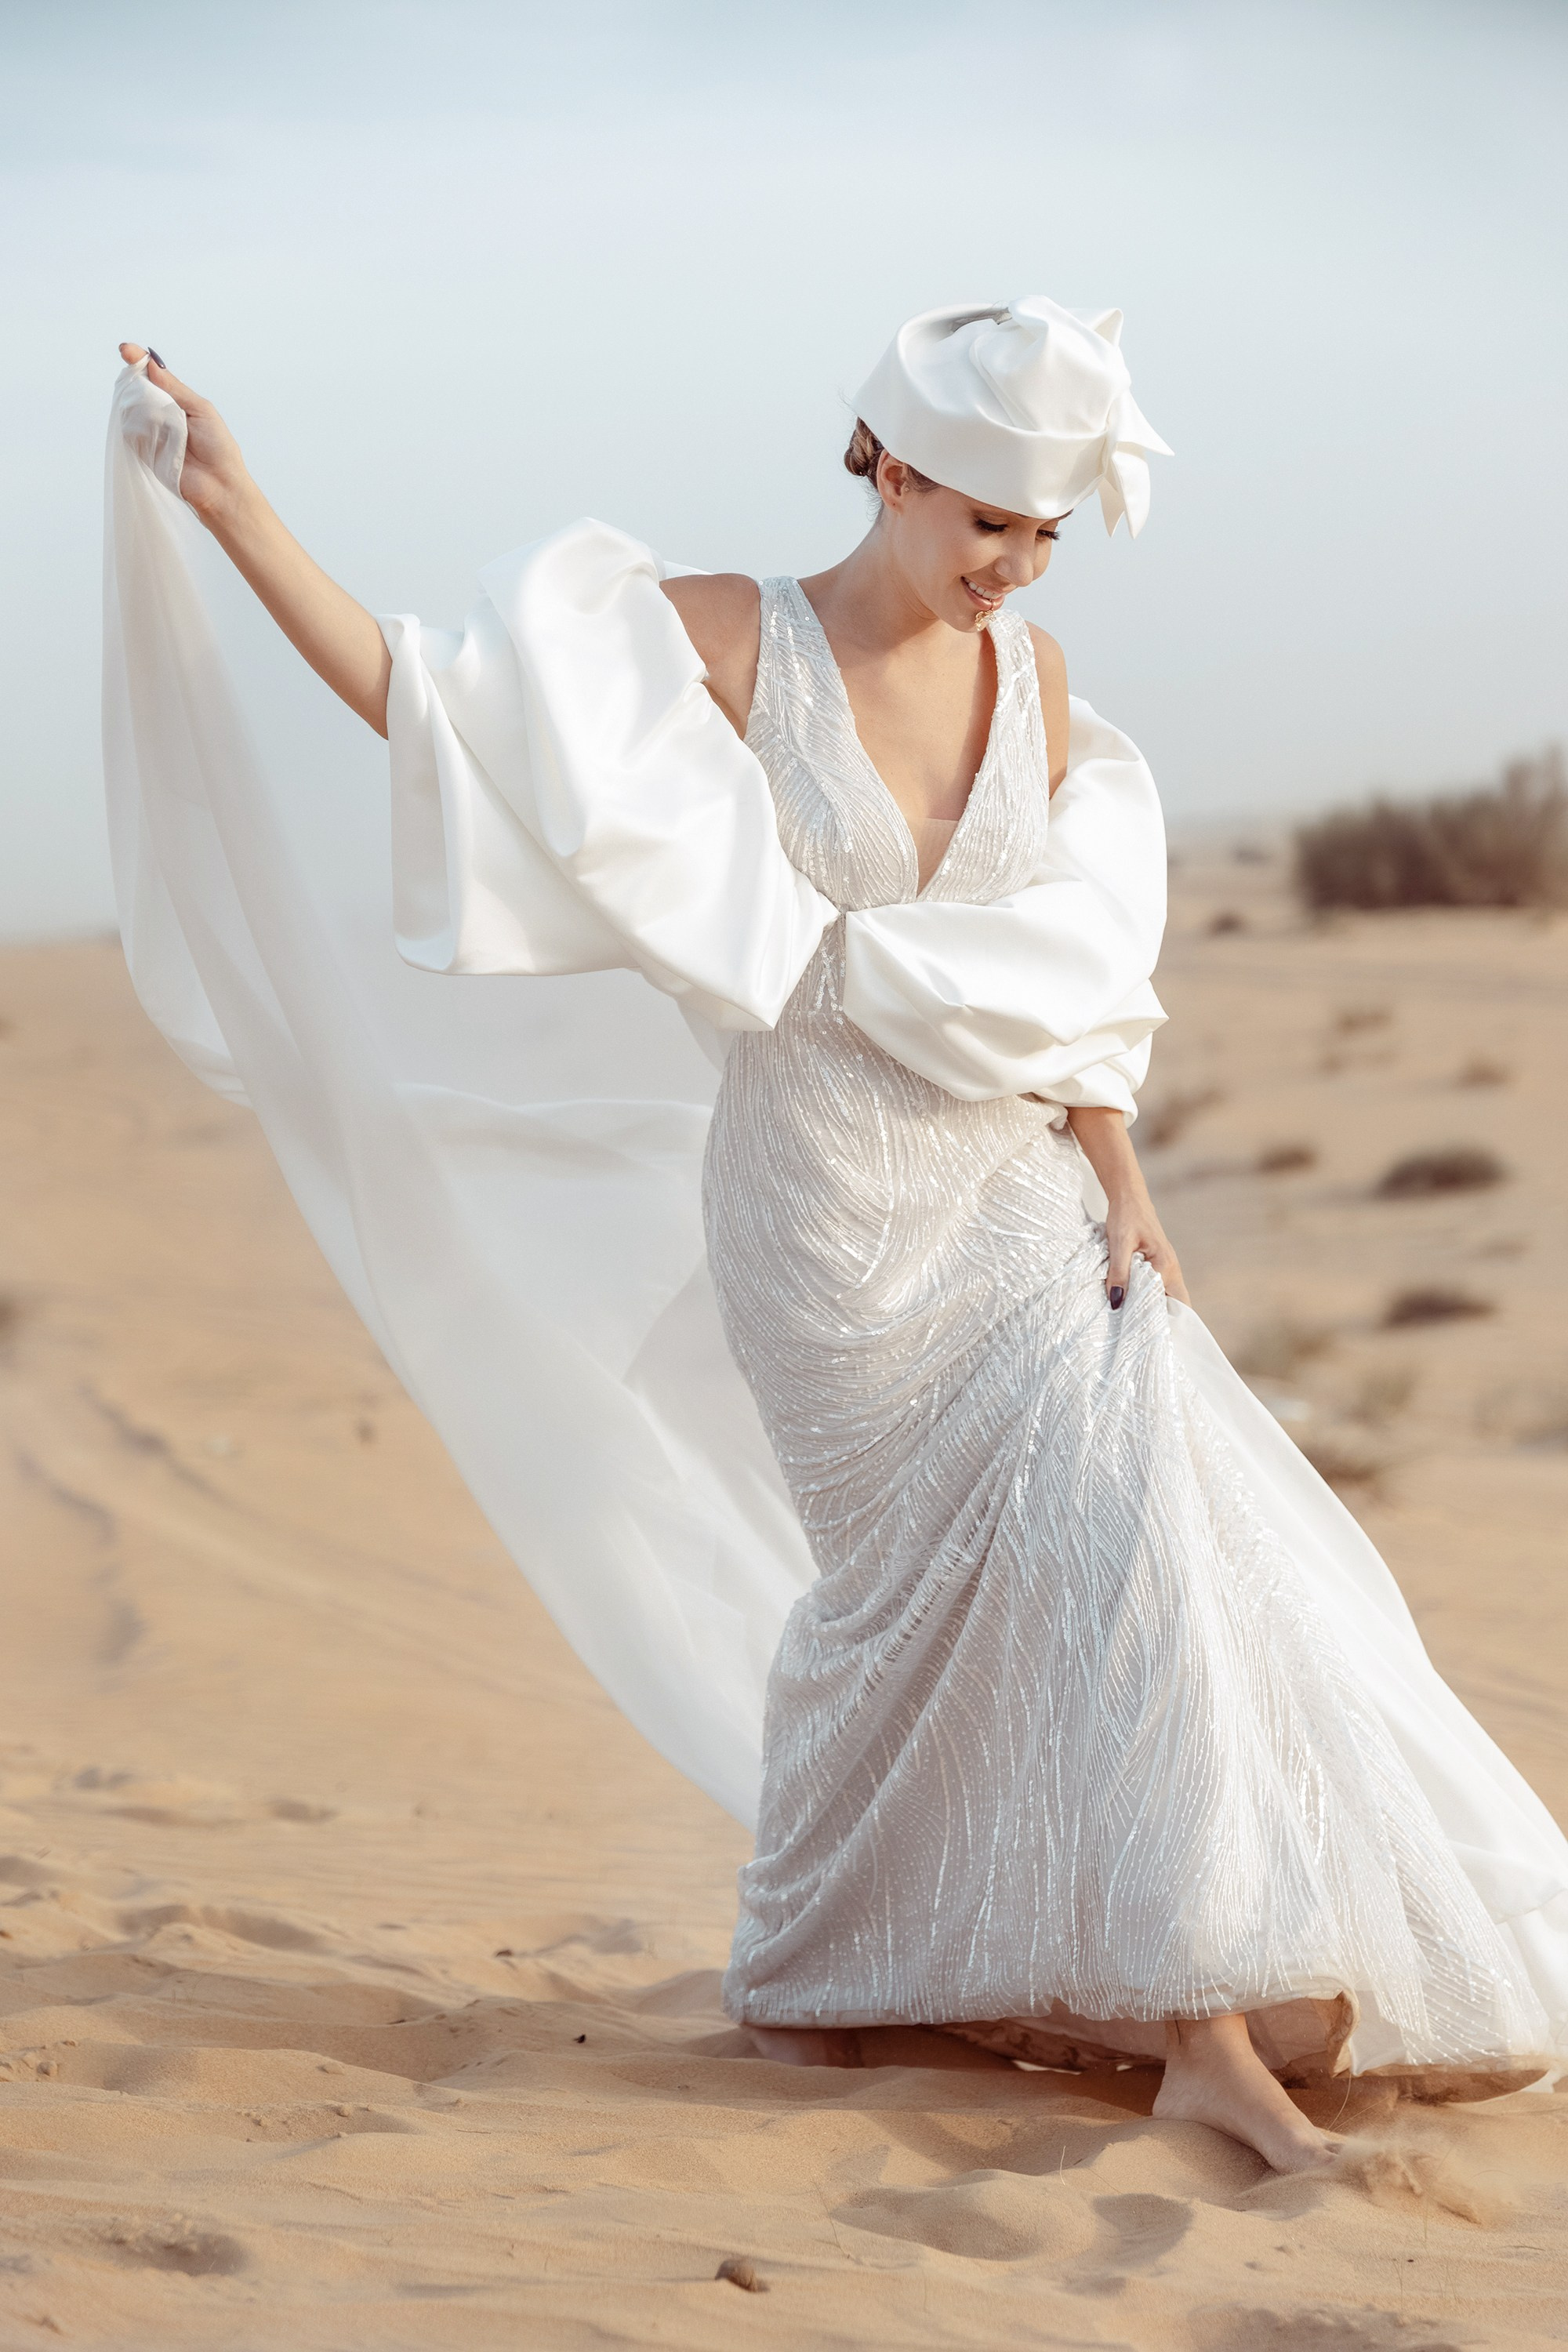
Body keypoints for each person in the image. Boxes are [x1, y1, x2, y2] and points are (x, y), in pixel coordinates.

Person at [107, 299, 1568, 2178]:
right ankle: (838, 1962)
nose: (1010, 568)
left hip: (1022, 1204)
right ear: (883, 459)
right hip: (819, 1228)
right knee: (909, 1620)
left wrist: (1123, 1183)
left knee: (1147, 1540)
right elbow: (427, 705)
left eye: (1045, 535)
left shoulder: (1037, 689)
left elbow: (1058, 989)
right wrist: (236, 507)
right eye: (985, 520)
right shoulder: (723, 635)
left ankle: (1203, 2027)